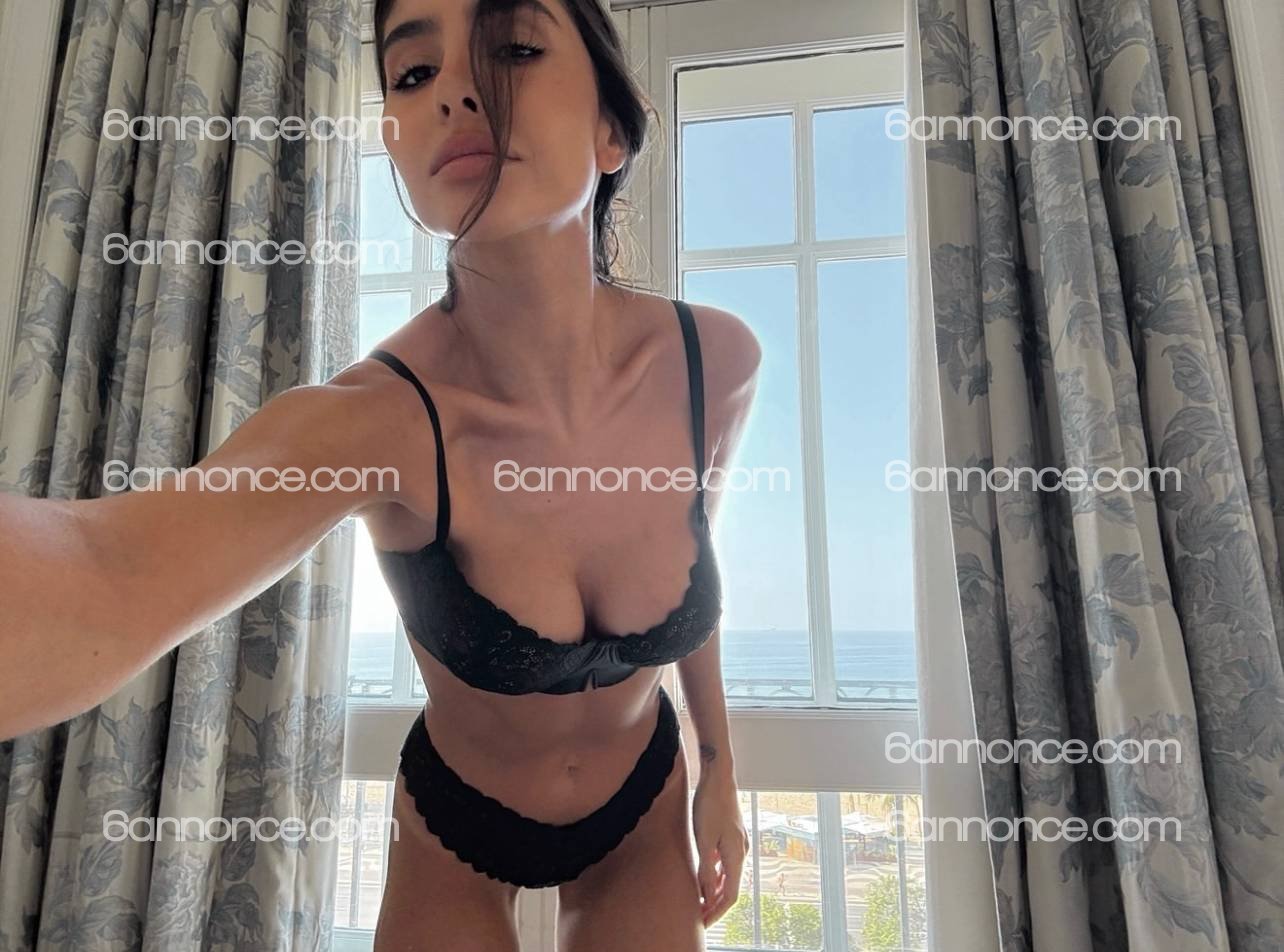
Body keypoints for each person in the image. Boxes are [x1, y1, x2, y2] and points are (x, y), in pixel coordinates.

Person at [0, 0, 760, 948]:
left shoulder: (714, 366)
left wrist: (720, 764)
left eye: (514, 47)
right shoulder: (373, 424)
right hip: (459, 827)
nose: (456, 91)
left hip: (644, 807)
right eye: (414, 74)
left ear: (613, 131)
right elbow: (105, 570)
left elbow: (695, 565)